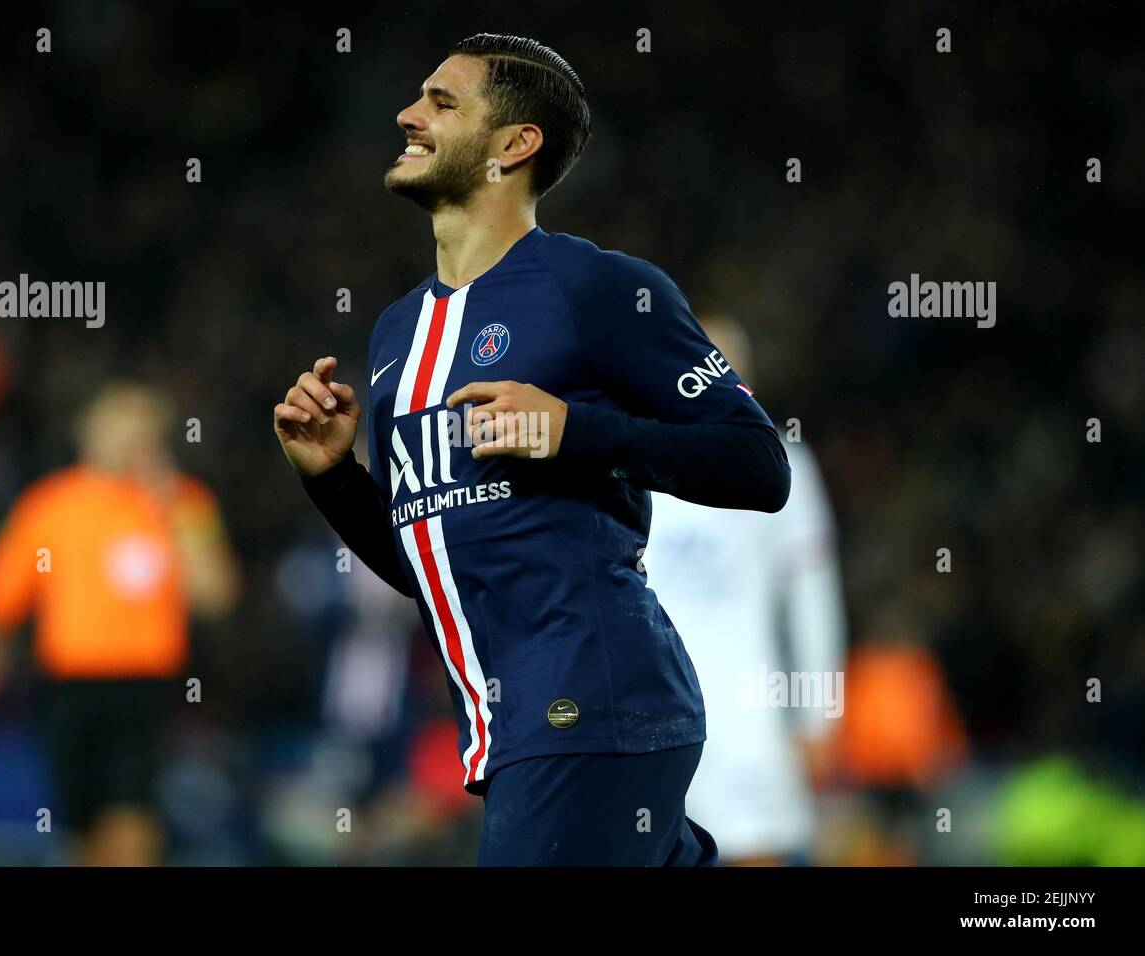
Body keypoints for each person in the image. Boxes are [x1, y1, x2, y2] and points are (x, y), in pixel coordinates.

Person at [273, 34, 790, 866]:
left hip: (591, 705)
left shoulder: (601, 288)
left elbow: (759, 466)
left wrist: (574, 431)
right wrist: (334, 479)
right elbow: (428, 562)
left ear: (515, 146)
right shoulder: (397, 332)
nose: (408, 115)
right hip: (516, 728)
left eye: (443, 102)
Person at [0, 382, 239, 865]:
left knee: (132, 822)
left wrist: (169, 505)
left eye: (144, 428)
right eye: (120, 425)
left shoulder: (185, 502)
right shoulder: (51, 505)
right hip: (69, 686)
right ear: (89, 432)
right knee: (80, 829)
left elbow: (216, 594)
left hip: (143, 687)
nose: (130, 439)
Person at [644, 317, 847, 865]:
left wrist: (818, 716)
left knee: (754, 848)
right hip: (654, 716)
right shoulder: (639, 465)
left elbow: (812, 599)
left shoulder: (785, 468)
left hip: (748, 711)